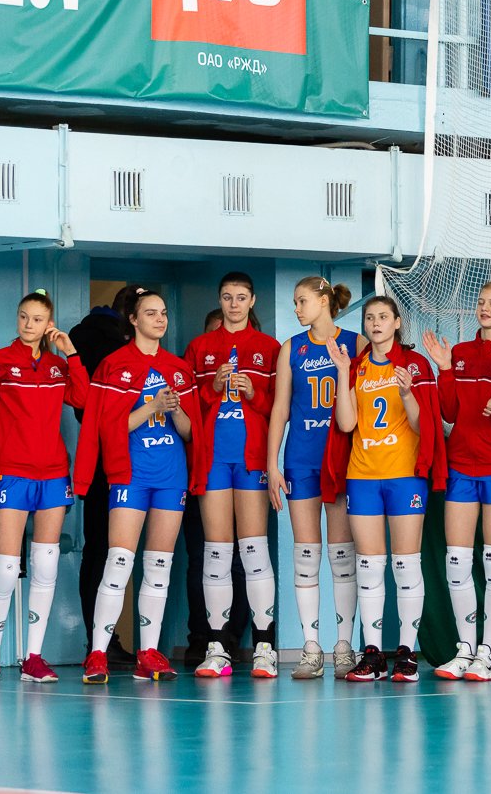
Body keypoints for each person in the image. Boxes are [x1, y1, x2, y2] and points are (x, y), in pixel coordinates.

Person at [74, 290, 203, 683]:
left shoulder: (178, 368)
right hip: (130, 474)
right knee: (118, 561)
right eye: (151, 313)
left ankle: (149, 652)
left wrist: (175, 410)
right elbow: (106, 428)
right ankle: (97, 652)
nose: (160, 319)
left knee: (159, 566)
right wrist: (150, 407)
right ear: (132, 319)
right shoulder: (114, 365)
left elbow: (190, 433)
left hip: (170, 476)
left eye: (163, 313)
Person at [0, 291, 89, 684]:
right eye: (23, 317)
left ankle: (33, 658)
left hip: (53, 474)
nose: (28, 324)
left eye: (36, 319)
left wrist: (71, 353)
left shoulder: (57, 366)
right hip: (13, 474)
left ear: (48, 324)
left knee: (46, 566)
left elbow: (82, 398)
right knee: (5, 568)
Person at [323, 296, 446, 683]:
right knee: (369, 566)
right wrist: (343, 371)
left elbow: (423, 426)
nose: (375, 323)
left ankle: (407, 654)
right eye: (369, 318)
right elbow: (346, 424)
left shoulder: (414, 364)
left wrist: (407, 394)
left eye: (382, 317)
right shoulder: (357, 365)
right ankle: (373, 654)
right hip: (363, 475)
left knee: (406, 565)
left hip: (404, 476)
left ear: (396, 322)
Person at [420, 282, 491, 681]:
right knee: (457, 560)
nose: (484, 308)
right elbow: (448, 412)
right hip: (461, 466)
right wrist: (445, 369)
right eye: (480, 302)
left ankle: (488, 653)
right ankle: (465, 649)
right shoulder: (461, 352)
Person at [184, 272, 281, 679]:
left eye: (241, 297)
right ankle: (217, 648)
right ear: (219, 300)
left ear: (252, 300)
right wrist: (213, 388)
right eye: (227, 297)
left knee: (254, 550)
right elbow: (188, 410)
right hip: (213, 460)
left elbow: (280, 408)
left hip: (251, 459)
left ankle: (264, 647)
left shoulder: (269, 348)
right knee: (217, 552)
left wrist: (254, 394)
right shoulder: (200, 347)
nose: (234, 304)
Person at [265, 276, 362, 680]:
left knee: (342, 557)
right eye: (294, 302)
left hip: (340, 458)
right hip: (301, 459)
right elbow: (280, 408)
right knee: (306, 555)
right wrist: (272, 463)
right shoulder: (292, 347)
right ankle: (310, 648)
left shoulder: (355, 343)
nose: (297, 309)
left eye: (302, 300)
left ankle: (344, 646)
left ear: (323, 301)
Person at [69, 284, 138, 668]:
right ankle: (103, 642)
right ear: (131, 319)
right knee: (112, 551)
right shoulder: (113, 349)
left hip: (101, 456)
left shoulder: (84, 338)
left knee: (103, 550)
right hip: (113, 456)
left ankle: (101, 640)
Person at [181, 310, 250, 668]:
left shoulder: (257, 357)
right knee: (202, 558)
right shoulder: (195, 359)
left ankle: (232, 636)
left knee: (243, 559)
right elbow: (188, 415)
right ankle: (203, 637)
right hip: (202, 473)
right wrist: (212, 387)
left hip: (245, 472)